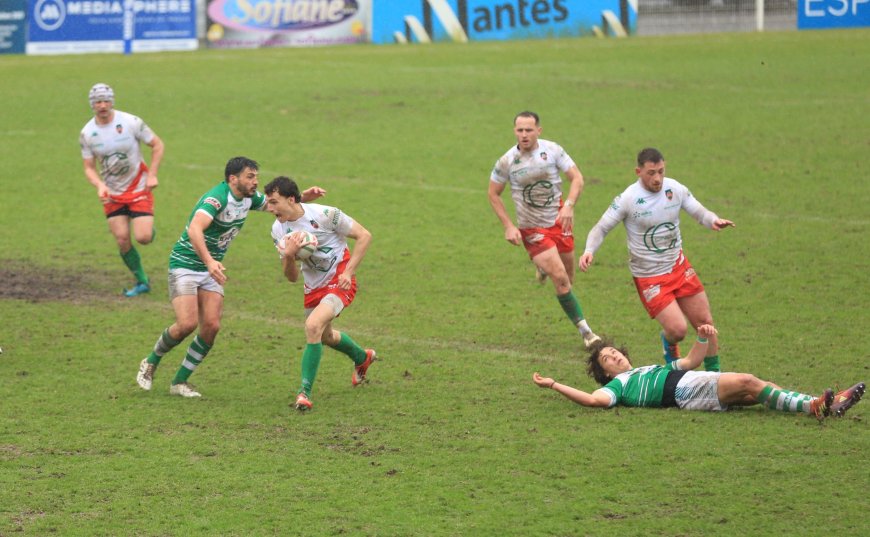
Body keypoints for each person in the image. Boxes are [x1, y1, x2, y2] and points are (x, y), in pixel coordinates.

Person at [135, 157, 325, 397]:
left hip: (211, 268)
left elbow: (277, 206)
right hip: (185, 264)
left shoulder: (249, 198)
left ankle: (179, 382)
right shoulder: (216, 199)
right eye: (250, 176)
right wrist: (209, 262)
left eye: (256, 176)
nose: (256, 181)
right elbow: (194, 229)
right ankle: (151, 361)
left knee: (211, 326)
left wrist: (302, 197)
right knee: (186, 324)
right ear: (233, 179)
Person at [580, 147, 734, 371]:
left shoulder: (675, 189)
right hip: (650, 277)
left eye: (661, 171)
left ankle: (715, 376)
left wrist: (713, 220)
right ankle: (669, 345)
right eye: (651, 173)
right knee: (678, 331)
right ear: (638, 171)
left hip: (679, 267)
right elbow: (601, 228)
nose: (657, 178)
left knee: (705, 322)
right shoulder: (628, 199)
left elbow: (699, 212)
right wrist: (589, 250)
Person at [532, 325, 865, 419]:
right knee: (750, 381)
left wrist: (703, 337)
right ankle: (816, 407)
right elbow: (592, 401)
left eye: (614, 352)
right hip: (683, 392)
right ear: (605, 373)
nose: (615, 357)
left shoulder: (648, 368)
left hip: (687, 381)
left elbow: (690, 361)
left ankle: (827, 404)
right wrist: (554, 385)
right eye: (607, 359)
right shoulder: (617, 387)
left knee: (761, 390)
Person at [488, 111, 600, 348]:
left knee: (568, 280)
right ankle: (587, 332)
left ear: (539, 130)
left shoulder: (553, 150)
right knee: (560, 279)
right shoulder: (507, 161)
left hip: (560, 221)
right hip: (532, 229)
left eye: (529, 130)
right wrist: (508, 226)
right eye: (520, 130)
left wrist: (569, 206)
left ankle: (542, 266)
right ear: (514, 132)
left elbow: (577, 179)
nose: (524, 135)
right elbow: (493, 193)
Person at [264, 176, 375, 412]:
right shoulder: (278, 229)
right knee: (325, 336)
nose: (270, 208)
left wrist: (349, 272)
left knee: (313, 326)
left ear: (291, 199)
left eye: (274, 202)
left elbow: (364, 236)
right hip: (313, 287)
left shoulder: (326, 214)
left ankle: (304, 393)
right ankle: (362, 357)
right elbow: (292, 277)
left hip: (340, 281)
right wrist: (289, 255)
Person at [79, 83, 165, 297]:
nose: (102, 105)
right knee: (122, 240)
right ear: (92, 105)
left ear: (112, 102)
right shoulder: (87, 133)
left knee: (143, 237)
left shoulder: (130, 122)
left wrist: (152, 174)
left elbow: (158, 145)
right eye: (98, 101)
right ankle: (142, 281)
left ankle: (146, 228)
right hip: (112, 194)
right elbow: (89, 168)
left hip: (139, 186)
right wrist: (99, 185)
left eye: (106, 100)